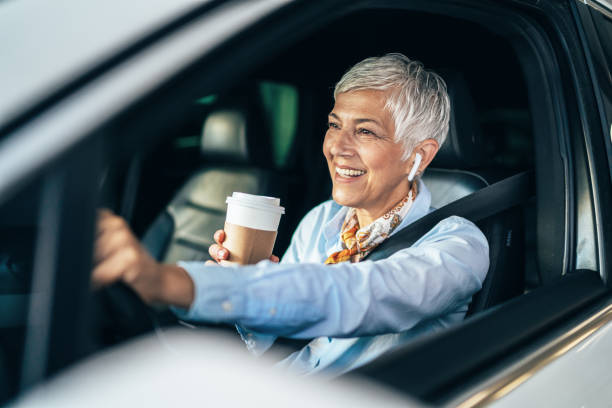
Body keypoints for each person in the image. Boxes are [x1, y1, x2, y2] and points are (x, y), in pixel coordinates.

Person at [93, 53, 489, 376]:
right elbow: (281, 344)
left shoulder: (457, 245)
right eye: (335, 125)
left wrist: (169, 282)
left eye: (365, 132)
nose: (338, 147)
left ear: (419, 154)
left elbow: (352, 295)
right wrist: (247, 279)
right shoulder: (322, 219)